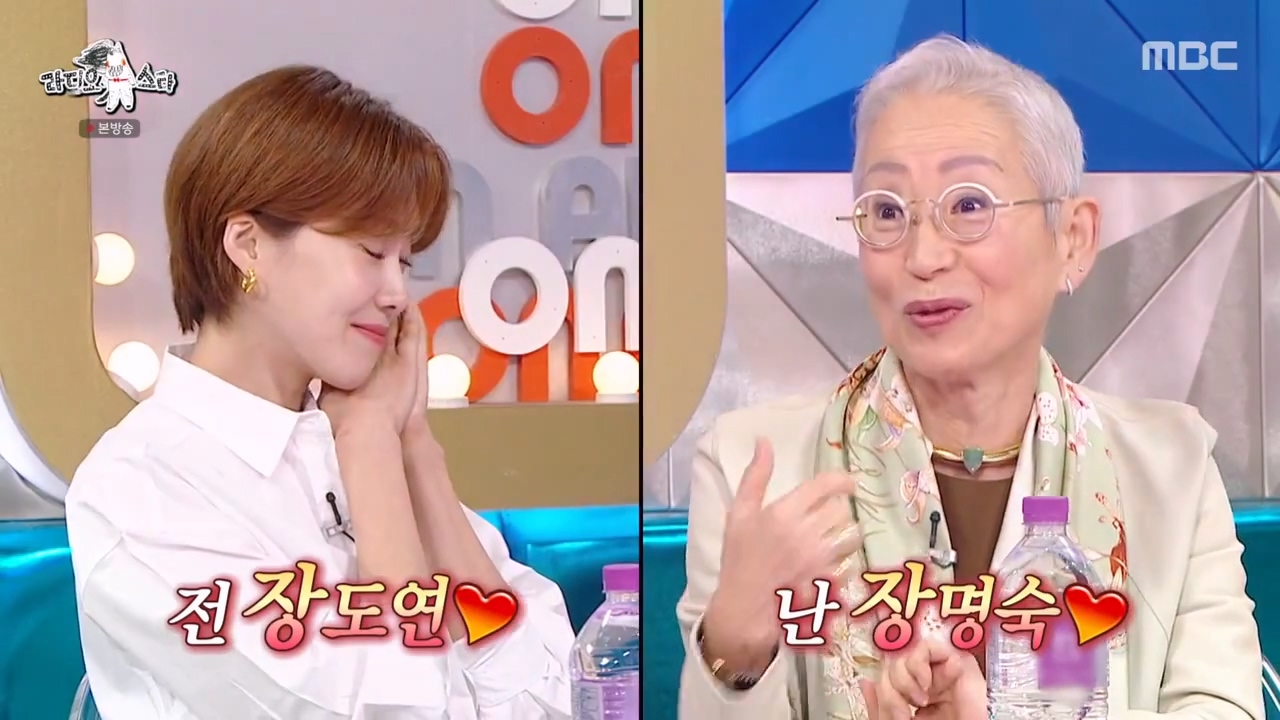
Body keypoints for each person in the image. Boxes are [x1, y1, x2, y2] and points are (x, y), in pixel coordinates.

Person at [676, 35, 1263, 720]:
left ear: (1072, 238)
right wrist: (737, 645)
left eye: (969, 205)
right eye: (887, 212)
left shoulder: (1171, 468)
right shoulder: (753, 469)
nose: (924, 256)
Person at [66, 66, 574, 719]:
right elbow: (393, 711)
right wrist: (371, 451)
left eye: (405, 260)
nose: (398, 293)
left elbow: (555, 697)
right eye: (370, 251)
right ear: (248, 245)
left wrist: (415, 454)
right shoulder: (142, 489)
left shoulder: (362, 437)